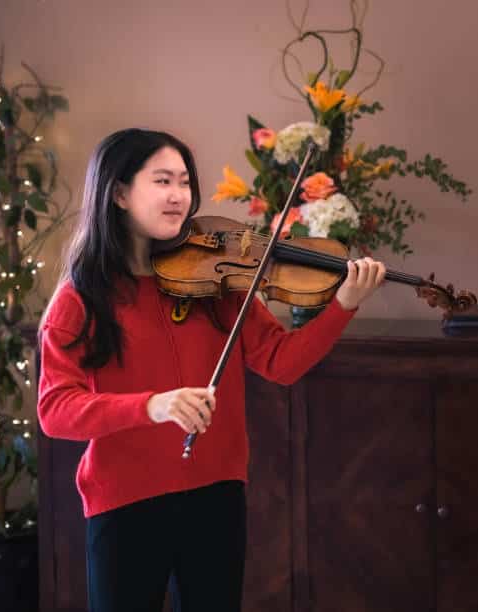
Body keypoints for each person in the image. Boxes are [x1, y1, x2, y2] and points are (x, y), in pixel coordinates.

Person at [37, 128, 386, 612]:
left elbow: (281, 364)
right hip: (124, 503)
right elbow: (55, 410)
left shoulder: (216, 281)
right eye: (162, 181)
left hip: (217, 494)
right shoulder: (80, 297)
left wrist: (343, 304)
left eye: (184, 182)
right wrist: (154, 405)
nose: (179, 195)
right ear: (118, 192)